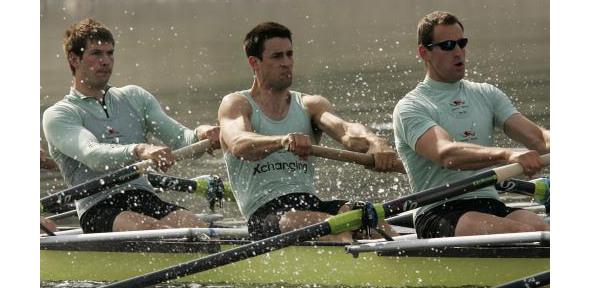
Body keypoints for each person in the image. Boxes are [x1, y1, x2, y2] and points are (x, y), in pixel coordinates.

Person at [218, 22, 405, 241]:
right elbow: (239, 144)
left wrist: (376, 143)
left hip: (309, 204)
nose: (287, 63)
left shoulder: (310, 105)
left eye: (290, 55)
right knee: (335, 230)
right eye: (277, 57)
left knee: (373, 222)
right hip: (265, 215)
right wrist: (282, 141)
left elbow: (346, 131)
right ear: (254, 62)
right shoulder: (237, 104)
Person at [42, 18, 221, 234]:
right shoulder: (59, 114)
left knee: (199, 229)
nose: (106, 61)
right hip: (98, 207)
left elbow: (181, 139)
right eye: (96, 54)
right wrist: (140, 150)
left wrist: (203, 134)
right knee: (156, 231)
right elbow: (93, 155)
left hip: (144, 196)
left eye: (110, 53)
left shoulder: (135, 97)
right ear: (74, 58)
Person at [392, 11, 550, 239]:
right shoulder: (411, 106)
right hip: (439, 211)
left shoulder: (486, 94)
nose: (458, 52)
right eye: (447, 45)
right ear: (423, 52)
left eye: (461, 43)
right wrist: (508, 155)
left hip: (490, 203)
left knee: (541, 229)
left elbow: (539, 139)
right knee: (523, 233)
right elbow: (446, 154)